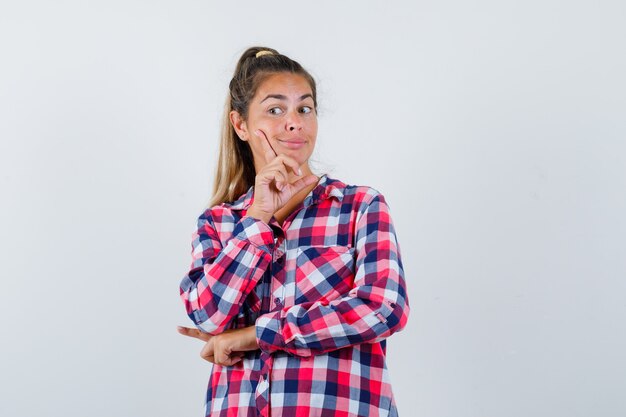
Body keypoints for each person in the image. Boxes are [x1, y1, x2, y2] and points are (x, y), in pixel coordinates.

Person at [177, 46, 410, 417]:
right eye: (275, 110)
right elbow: (207, 316)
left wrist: (254, 335)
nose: (294, 122)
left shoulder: (359, 206)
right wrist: (257, 219)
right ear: (240, 125)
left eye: (304, 108)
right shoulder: (218, 223)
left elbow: (383, 308)